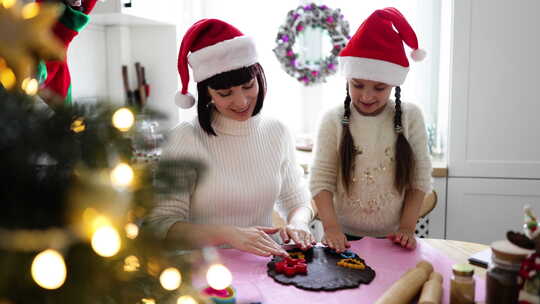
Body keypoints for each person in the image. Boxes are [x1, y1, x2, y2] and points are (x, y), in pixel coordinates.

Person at [144, 19, 315, 257]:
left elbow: (297, 199)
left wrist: (299, 222)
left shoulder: (277, 131)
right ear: (207, 93)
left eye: (248, 86)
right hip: (208, 270)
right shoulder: (185, 138)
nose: (242, 102)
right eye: (225, 93)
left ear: (259, 78)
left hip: (267, 265)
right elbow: (163, 224)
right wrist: (227, 234)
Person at [310, 7, 432, 252]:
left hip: (393, 238)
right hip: (341, 237)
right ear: (347, 80)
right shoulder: (332, 119)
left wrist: (407, 227)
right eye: (358, 85)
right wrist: (331, 228)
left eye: (379, 88)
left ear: (393, 86)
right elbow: (320, 179)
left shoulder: (411, 116)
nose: (366, 96)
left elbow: (419, 178)